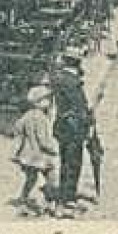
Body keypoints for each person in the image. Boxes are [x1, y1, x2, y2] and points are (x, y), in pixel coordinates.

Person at [50, 49, 95, 210]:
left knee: (65, 161)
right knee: (74, 162)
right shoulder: (72, 81)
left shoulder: (60, 78)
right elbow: (79, 108)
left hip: (63, 126)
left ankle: (64, 193)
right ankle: (68, 196)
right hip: (73, 127)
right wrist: (88, 122)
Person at [11, 86, 58, 214]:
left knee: (31, 179)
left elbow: (17, 129)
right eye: (47, 100)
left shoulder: (27, 115)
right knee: (51, 177)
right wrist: (52, 149)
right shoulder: (41, 118)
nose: (50, 103)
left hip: (27, 155)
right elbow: (43, 139)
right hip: (40, 156)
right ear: (38, 102)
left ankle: (23, 198)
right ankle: (49, 203)